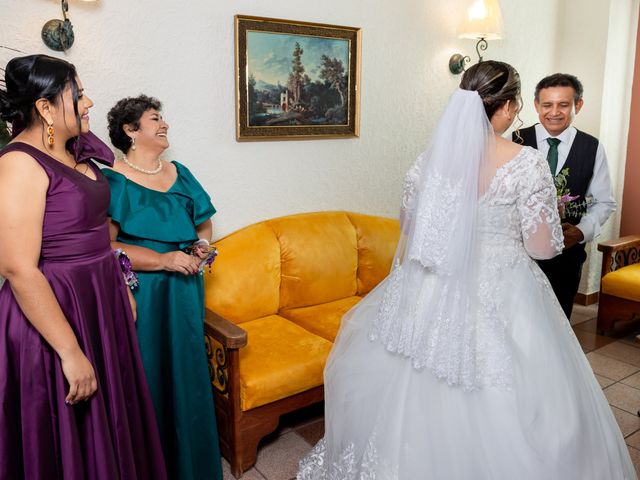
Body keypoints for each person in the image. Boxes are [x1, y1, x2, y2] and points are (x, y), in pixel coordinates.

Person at [297, 61, 635, 479]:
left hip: (429, 286)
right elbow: (543, 248)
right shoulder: (526, 164)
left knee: (413, 379)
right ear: (510, 106)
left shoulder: (429, 161)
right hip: (504, 284)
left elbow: (410, 226)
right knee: (514, 391)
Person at [0, 55, 167, 479]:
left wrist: (123, 282)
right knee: (70, 431)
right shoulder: (19, 163)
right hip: (56, 314)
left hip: (100, 302)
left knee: (115, 420)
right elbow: (19, 268)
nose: (88, 100)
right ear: (44, 108)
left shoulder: (79, 152)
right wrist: (70, 352)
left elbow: (100, 238)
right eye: (77, 94)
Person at [104, 95, 223, 480]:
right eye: (155, 119)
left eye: (162, 118)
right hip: (144, 293)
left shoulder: (180, 172)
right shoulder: (112, 180)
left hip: (185, 291)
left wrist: (200, 247)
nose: (165, 124)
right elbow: (107, 246)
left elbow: (202, 223)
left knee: (187, 377)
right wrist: (163, 259)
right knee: (151, 377)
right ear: (130, 130)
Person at [513, 73, 616, 319]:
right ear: (536, 104)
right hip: (520, 253)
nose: (554, 112)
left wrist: (581, 232)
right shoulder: (515, 140)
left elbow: (604, 202)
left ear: (577, 105)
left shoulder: (592, 147)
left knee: (558, 323)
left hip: (567, 258)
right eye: (547, 105)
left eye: (563, 105)